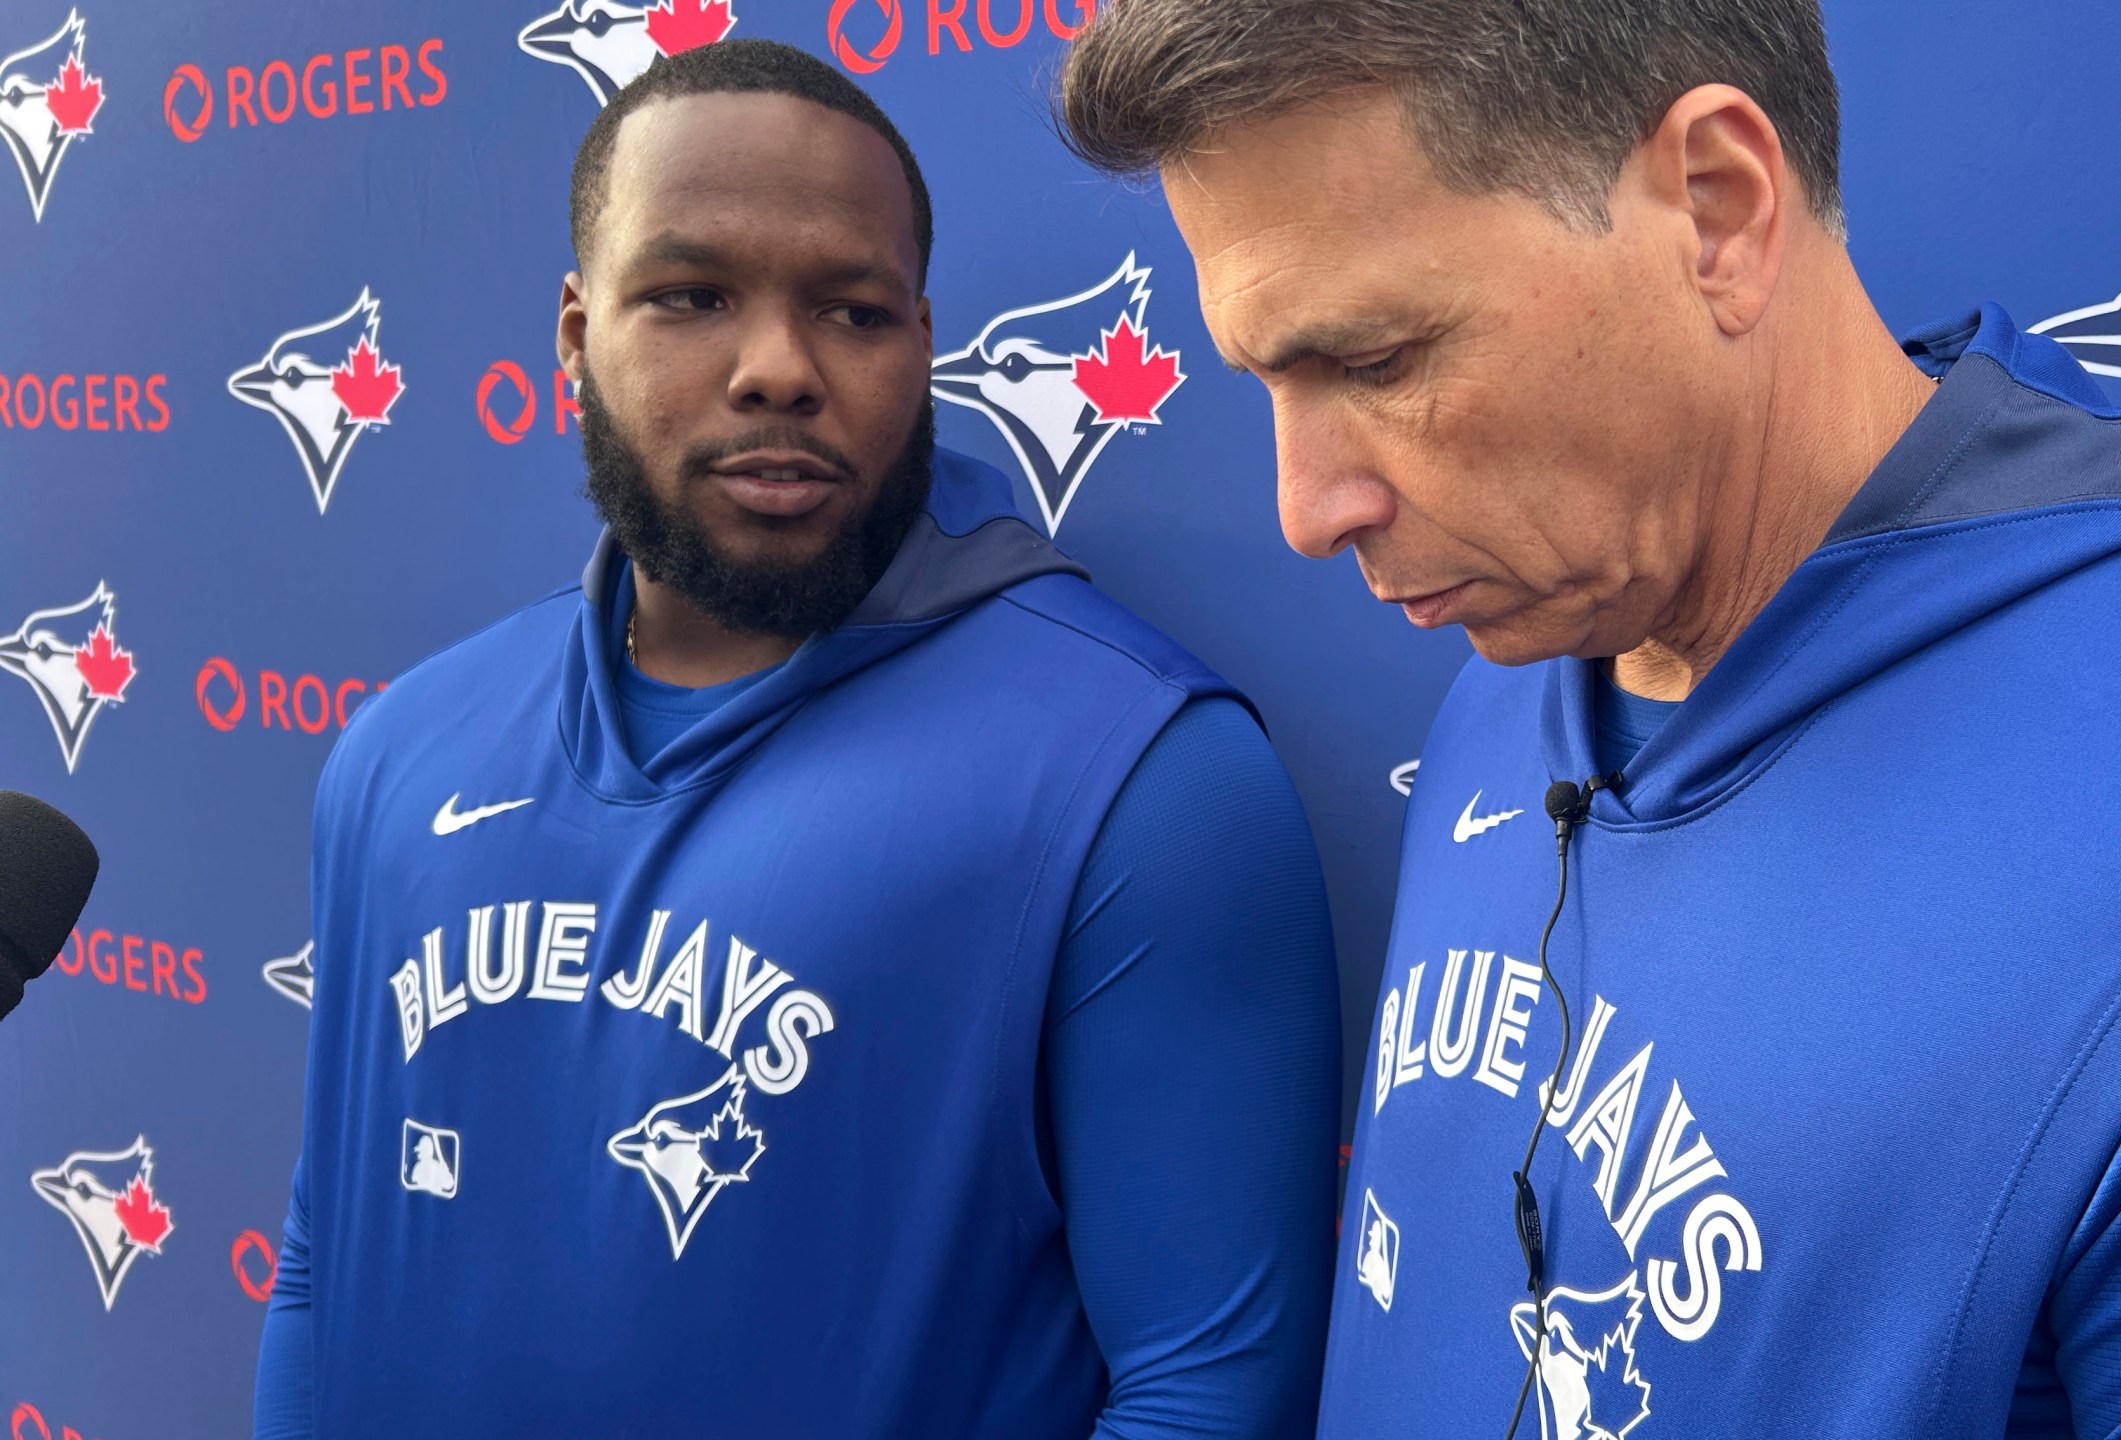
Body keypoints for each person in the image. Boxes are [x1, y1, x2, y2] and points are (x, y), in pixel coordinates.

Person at [1058, 3, 2121, 1436]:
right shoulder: (1512, 680)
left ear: (1716, 208)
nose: (1307, 510)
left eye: (1377, 362)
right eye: (1267, 377)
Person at [254, 39, 1339, 1438]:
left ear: (925, 345)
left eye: (852, 311)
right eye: (692, 296)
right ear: (578, 332)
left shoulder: (1144, 779)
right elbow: (323, 1265)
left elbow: (1208, 1395)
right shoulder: (400, 750)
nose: (778, 369)